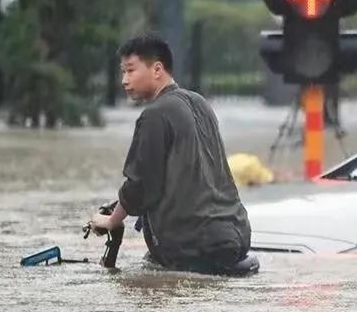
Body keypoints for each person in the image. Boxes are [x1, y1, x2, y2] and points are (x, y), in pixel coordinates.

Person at [88, 33, 253, 274]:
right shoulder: (201, 103)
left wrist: (112, 220)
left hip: (191, 247)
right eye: (122, 72)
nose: (124, 80)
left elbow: (139, 186)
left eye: (130, 71)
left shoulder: (155, 114)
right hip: (237, 236)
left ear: (157, 70)